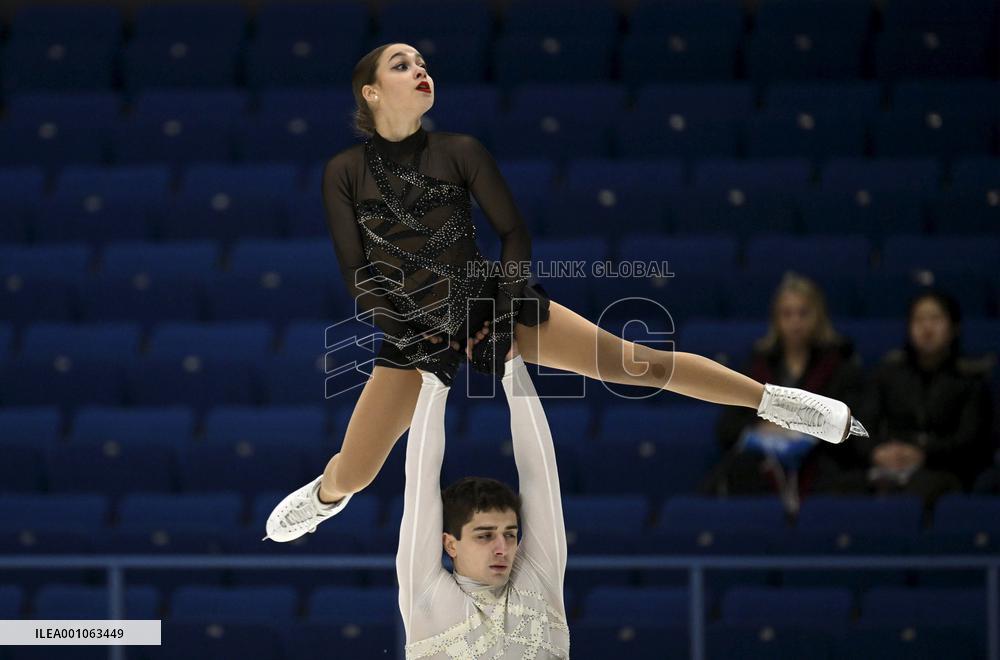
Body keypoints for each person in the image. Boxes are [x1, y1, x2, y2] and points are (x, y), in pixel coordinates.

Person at [263, 43, 867, 542]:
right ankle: (324, 495)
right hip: (411, 331)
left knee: (637, 363)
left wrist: (499, 313)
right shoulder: (344, 171)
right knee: (359, 472)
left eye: (423, 63)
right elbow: (358, 277)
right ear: (369, 92)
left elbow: (513, 234)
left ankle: (776, 401)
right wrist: (414, 337)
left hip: (490, 303)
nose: (420, 69)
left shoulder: (460, 151)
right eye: (401, 64)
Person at [395, 338, 569, 658]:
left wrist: (513, 367)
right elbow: (420, 481)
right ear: (450, 544)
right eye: (485, 535)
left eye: (510, 535)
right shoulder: (428, 596)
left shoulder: (538, 584)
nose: (502, 548)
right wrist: (435, 381)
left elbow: (541, 475)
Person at [702, 273, 867, 512]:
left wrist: (800, 429)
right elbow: (727, 427)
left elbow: (852, 428)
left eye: (803, 313)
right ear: (776, 319)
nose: (795, 322)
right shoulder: (758, 365)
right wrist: (761, 429)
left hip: (821, 462)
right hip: (762, 463)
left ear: (818, 316)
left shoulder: (841, 366)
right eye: (787, 314)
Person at [833, 291, 994, 507]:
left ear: (954, 328)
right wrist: (876, 451)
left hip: (941, 468)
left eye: (935, 319)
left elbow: (971, 442)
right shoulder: (887, 374)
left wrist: (923, 454)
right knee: (841, 487)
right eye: (919, 320)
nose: (926, 328)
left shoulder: (970, 380)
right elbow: (862, 425)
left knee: (917, 492)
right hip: (887, 463)